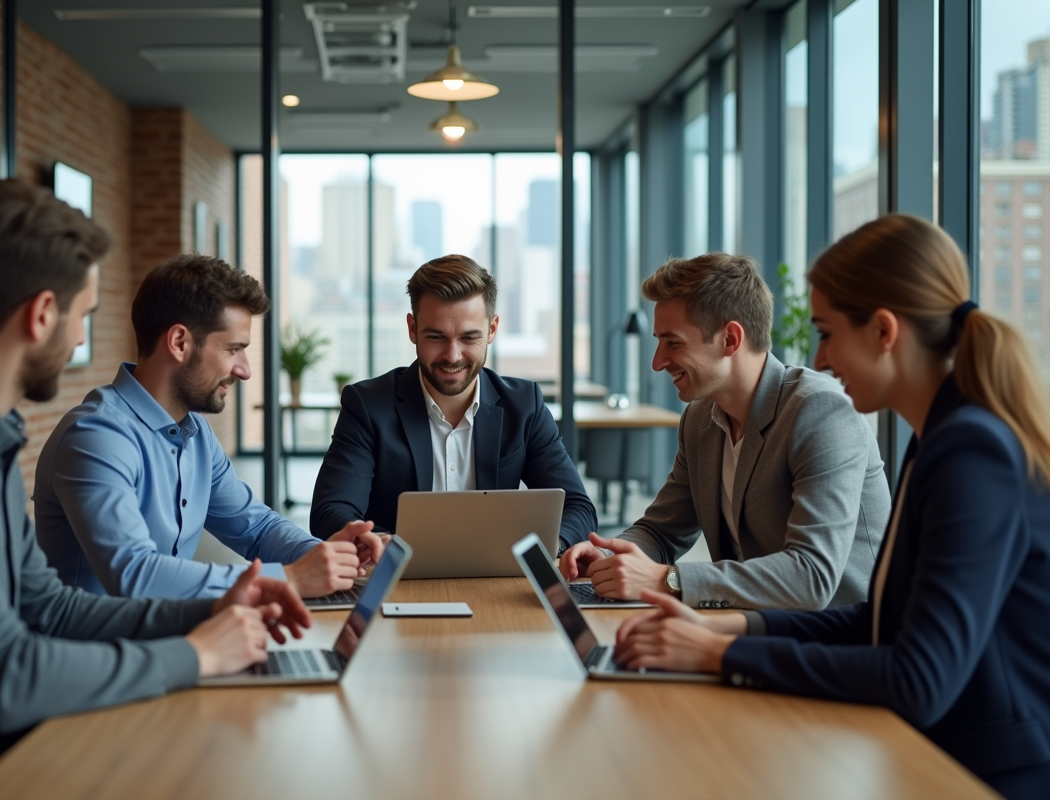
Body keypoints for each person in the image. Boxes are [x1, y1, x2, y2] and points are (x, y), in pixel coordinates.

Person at [0, 180, 312, 800]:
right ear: (42, 314)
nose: (78, 341)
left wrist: (210, 612)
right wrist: (196, 655)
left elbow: (49, 609)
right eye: (83, 318)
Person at [613, 215, 1050, 800]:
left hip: (978, 771)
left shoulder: (970, 451)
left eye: (826, 332)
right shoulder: (941, 438)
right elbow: (878, 624)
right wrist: (725, 629)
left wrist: (721, 650)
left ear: (884, 331)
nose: (819, 359)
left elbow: (917, 678)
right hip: (922, 739)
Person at [34, 254, 383, 600]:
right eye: (233, 350)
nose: (245, 370)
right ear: (179, 343)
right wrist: (288, 578)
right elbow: (134, 574)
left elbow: (258, 529)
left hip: (169, 629)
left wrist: (325, 556)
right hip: (98, 637)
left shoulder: (196, 435)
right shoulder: (96, 436)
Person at [561, 252, 889, 609]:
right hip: (752, 621)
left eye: (673, 342)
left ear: (730, 339)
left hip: (841, 632)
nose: (657, 362)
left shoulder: (820, 411)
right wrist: (609, 556)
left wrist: (667, 579)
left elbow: (812, 576)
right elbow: (660, 530)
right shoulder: (700, 419)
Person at [310, 254, 597, 555]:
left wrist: (550, 547)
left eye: (469, 338)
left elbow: (578, 507)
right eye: (436, 337)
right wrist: (374, 543)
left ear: (492, 329)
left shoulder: (525, 406)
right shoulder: (367, 406)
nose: (452, 355)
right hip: (396, 572)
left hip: (499, 575)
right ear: (412, 329)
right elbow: (331, 511)